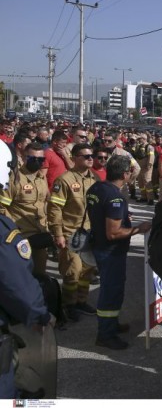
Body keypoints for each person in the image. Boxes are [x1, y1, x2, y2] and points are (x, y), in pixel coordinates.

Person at [0, 139, 52, 398]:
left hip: (38, 234)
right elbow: (16, 284)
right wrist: (38, 315)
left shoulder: (42, 179)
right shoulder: (3, 233)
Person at [86, 155, 152, 350]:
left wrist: (123, 216)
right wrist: (139, 228)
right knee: (111, 292)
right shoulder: (115, 197)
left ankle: (112, 324)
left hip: (99, 246)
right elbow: (113, 233)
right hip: (111, 251)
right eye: (131, 172)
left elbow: (101, 214)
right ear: (125, 174)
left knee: (110, 289)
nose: (132, 175)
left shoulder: (96, 188)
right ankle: (105, 334)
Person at [48, 143, 98, 322]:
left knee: (87, 271)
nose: (91, 159)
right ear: (76, 158)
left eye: (91, 156)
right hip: (71, 233)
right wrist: (58, 234)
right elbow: (55, 209)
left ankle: (81, 301)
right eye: (86, 156)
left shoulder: (94, 178)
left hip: (90, 233)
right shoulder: (64, 180)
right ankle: (68, 305)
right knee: (73, 271)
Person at [0, 142, 50, 275]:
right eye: (33, 159)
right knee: (22, 275)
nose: (37, 162)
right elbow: (2, 207)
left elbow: (45, 202)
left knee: (40, 274)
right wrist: (14, 229)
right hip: (22, 236)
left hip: (41, 232)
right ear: (24, 157)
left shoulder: (41, 177)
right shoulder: (14, 178)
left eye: (41, 159)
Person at [134, 134, 156, 205]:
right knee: (141, 183)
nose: (139, 140)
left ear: (144, 139)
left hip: (146, 168)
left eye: (140, 139)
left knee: (147, 182)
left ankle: (150, 198)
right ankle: (143, 196)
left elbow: (151, 157)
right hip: (139, 168)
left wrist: (149, 165)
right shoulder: (139, 146)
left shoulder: (149, 147)